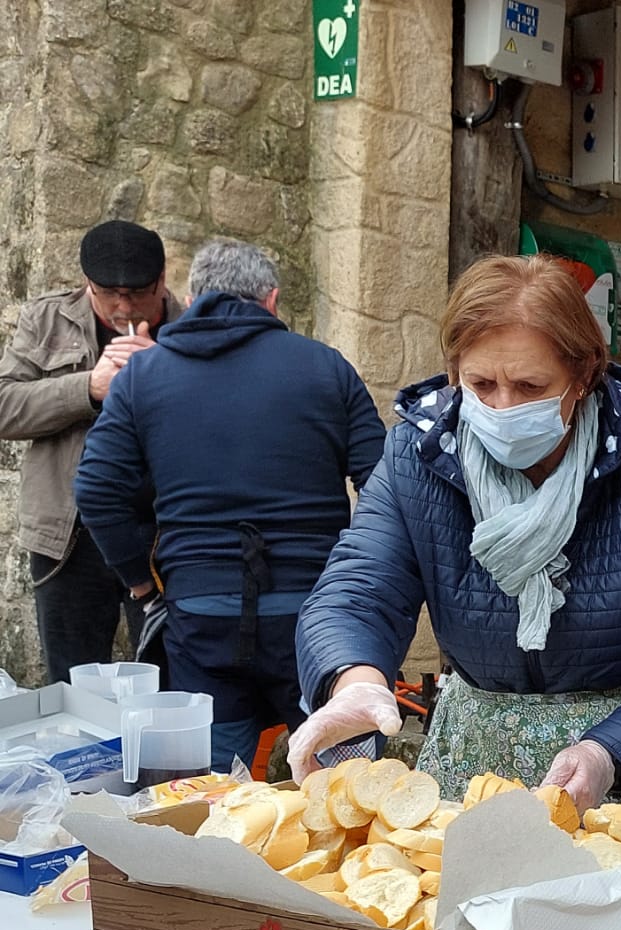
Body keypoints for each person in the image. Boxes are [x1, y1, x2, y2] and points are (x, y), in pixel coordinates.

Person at [290, 255, 621, 813]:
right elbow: (359, 589)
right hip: (472, 765)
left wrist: (610, 753)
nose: (501, 407)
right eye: (480, 383)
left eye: (530, 385)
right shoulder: (420, 456)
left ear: (583, 377)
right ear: (453, 369)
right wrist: (355, 680)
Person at [72, 240, 384, 773]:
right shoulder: (326, 369)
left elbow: (97, 488)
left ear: (192, 298)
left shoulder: (143, 378)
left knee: (219, 796)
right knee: (348, 787)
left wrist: (142, 583)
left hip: (201, 614)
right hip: (317, 617)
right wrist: (361, 582)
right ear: (273, 301)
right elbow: (385, 486)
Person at [0, 220, 182, 684]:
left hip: (165, 536)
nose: (123, 305)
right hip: (69, 536)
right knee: (72, 681)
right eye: (107, 292)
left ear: (162, 281)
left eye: (138, 293)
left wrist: (164, 378)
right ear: (87, 284)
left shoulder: (190, 329)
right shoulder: (46, 318)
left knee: (168, 679)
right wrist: (89, 386)